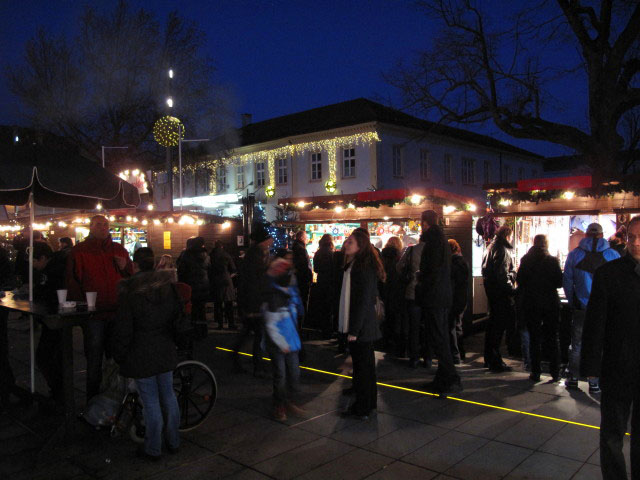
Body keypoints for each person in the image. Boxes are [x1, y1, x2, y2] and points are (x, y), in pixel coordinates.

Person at [581, 216, 640, 479]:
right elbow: (596, 324)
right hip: (618, 365)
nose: (636, 243)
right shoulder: (609, 273)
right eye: (632, 237)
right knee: (612, 435)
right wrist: (591, 366)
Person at [110, 247, 180, 461]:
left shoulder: (130, 290)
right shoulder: (168, 287)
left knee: (150, 401)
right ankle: (174, 441)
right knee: (168, 395)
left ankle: (153, 448)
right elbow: (177, 317)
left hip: (141, 351)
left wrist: (119, 354)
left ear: (136, 264)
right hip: (165, 348)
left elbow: (123, 329)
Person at [66, 215, 133, 401]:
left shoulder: (118, 250)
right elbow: (73, 282)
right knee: (94, 358)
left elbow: (131, 278)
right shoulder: (79, 251)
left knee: (116, 358)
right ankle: (93, 400)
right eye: (99, 224)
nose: (103, 228)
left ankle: (114, 397)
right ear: (91, 226)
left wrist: (125, 266)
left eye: (106, 225)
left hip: (116, 312)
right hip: (94, 315)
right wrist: (83, 308)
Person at [563, 222, 619, 392]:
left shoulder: (574, 255)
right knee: (600, 344)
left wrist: (573, 301)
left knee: (577, 343)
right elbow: (618, 284)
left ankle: (573, 377)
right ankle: (594, 381)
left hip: (581, 305)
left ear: (586, 235)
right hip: (604, 308)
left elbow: (567, 280)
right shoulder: (613, 255)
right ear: (602, 236)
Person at [339, 229, 385, 419]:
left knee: (363, 366)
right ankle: (367, 402)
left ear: (360, 246)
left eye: (350, 242)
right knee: (363, 365)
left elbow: (363, 300)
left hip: (362, 325)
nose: (345, 244)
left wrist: (354, 329)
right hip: (362, 324)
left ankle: (363, 407)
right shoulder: (357, 264)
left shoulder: (362, 267)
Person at [416, 210, 461, 393]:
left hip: (434, 296)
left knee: (439, 338)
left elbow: (431, 270)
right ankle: (443, 377)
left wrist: (421, 278)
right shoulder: (441, 239)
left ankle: (450, 378)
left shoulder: (433, 241)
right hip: (441, 295)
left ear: (425, 222)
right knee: (440, 336)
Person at [262, 254, 304, 421]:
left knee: (293, 372)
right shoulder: (274, 295)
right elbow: (272, 324)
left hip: (291, 339)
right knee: (281, 374)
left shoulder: (289, 292)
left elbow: (296, 308)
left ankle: (287, 400)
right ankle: (279, 404)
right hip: (279, 342)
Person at [516, 234, 563, 382]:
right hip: (550, 303)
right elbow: (559, 282)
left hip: (532, 302)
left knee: (534, 338)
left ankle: (535, 372)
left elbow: (520, 281)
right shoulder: (552, 260)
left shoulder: (526, 260)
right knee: (552, 337)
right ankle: (555, 372)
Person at [32, 242, 67, 406]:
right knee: (54, 357)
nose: (33, 264)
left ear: (44, 258)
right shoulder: (54, 267)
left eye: (34, 260)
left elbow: (47, 292)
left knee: (46, 356)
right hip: (54, 318)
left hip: (55, 318)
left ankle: (59, 392)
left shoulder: (52, 271)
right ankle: (59, 392)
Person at [235, 224, 273, 376]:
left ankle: (237, 358)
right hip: (254, 303)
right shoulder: (256, 256)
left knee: (250, 333)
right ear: (263, 241)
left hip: (253, 302)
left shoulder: (256, 254)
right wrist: (252, 306)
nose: (270, 242)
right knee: (258, 335)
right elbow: (253, 282)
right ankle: (258, 366)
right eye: (268, 240)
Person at [482, 225, 517, 373]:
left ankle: (489, 358)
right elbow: (502, 274)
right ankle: (495, 360)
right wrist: (512, 289)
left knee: (492, 327)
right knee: (498, 327)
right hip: (500, 294)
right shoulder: (503, 249)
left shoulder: (491, 246)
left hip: (492, 292)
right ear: (508, 236)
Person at [397, 233, 427, 367]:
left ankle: (414, 357)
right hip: (429, 294)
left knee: (413, 327)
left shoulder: (412, 250)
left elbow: (398, 267)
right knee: (428, 326)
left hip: (412, 292)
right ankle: (428, 357)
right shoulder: (435, 250)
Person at [177, 237, 210, 337]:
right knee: (201, 309)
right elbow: (209, 269)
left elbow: (181, 270)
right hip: (204, 285)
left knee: (192, 310)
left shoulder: (187, 254)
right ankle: (203, 331)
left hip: (191, 285)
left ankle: (194, 331)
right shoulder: (206, 255)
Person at [380, 236, 403, 352]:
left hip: (385, 287)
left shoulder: (382, 255)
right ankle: (395, 341)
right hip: (396, 288)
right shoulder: (399, 256)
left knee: (386, 315)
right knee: (396, 316)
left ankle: (385, 340)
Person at [448, 239, 469, 364]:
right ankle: (461, 352)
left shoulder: (452, 263)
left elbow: (452, 283)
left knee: (451, 326)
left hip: (454, 299)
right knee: (458, 325)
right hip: (462, 298)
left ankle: (455, 355)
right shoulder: (463, 262)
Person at [209, 241, 237, 330]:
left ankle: (220, 324)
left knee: (218, 304)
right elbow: (233, 269)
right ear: (222, 246)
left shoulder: (211, 256)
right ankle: (231, 324)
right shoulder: (226, 255)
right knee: (228, 304)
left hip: (215, 281)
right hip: (226, 280)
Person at [313, 234, 335, 338]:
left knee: (321, 306)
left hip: (320, 281)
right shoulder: (331, 254)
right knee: (328, 307)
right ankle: (328, 331)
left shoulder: (318, 253)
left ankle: (321, 329)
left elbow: (316, 269)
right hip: (330, 282)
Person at [291, 230, 312, 326]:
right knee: (302, 303)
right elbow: (304, 267)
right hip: (302, 281)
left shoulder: (295, 248)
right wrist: (309, 278)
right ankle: (300, 326)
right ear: (301, 238)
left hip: (298, 280)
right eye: (306, 237)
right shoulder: (301, 249)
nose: (307, 239)